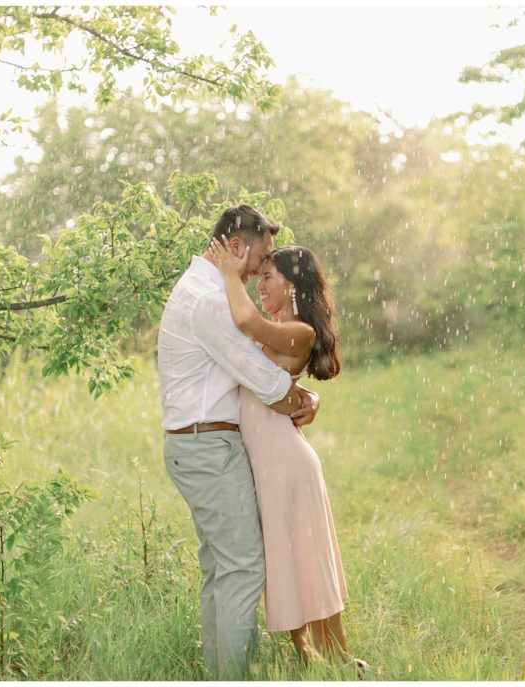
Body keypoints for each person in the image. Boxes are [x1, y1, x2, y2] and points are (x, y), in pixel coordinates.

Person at [157, 205, 321, 679]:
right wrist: (298, 401)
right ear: (236, 247)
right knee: (244, 568)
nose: (258, 271)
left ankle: (217, 672)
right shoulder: (209, 300)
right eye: (259, 258)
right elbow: (264, 381)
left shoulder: (202, 290)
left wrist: (305, 395)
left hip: (198, 445)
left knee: (222, 570)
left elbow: (259, 362)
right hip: (207, 449)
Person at [209, 237, 367, 674]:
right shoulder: (279, 327)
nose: (260, 286)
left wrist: (228, 272)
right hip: (268, 462)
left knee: (306, 557)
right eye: (258, 279)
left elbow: (243, 319)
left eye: (267, 277)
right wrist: (307, 396)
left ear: (293, 284)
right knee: (282, 555)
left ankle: (337, 659)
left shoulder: (299, 331)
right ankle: (309, 657)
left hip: (286, 462)